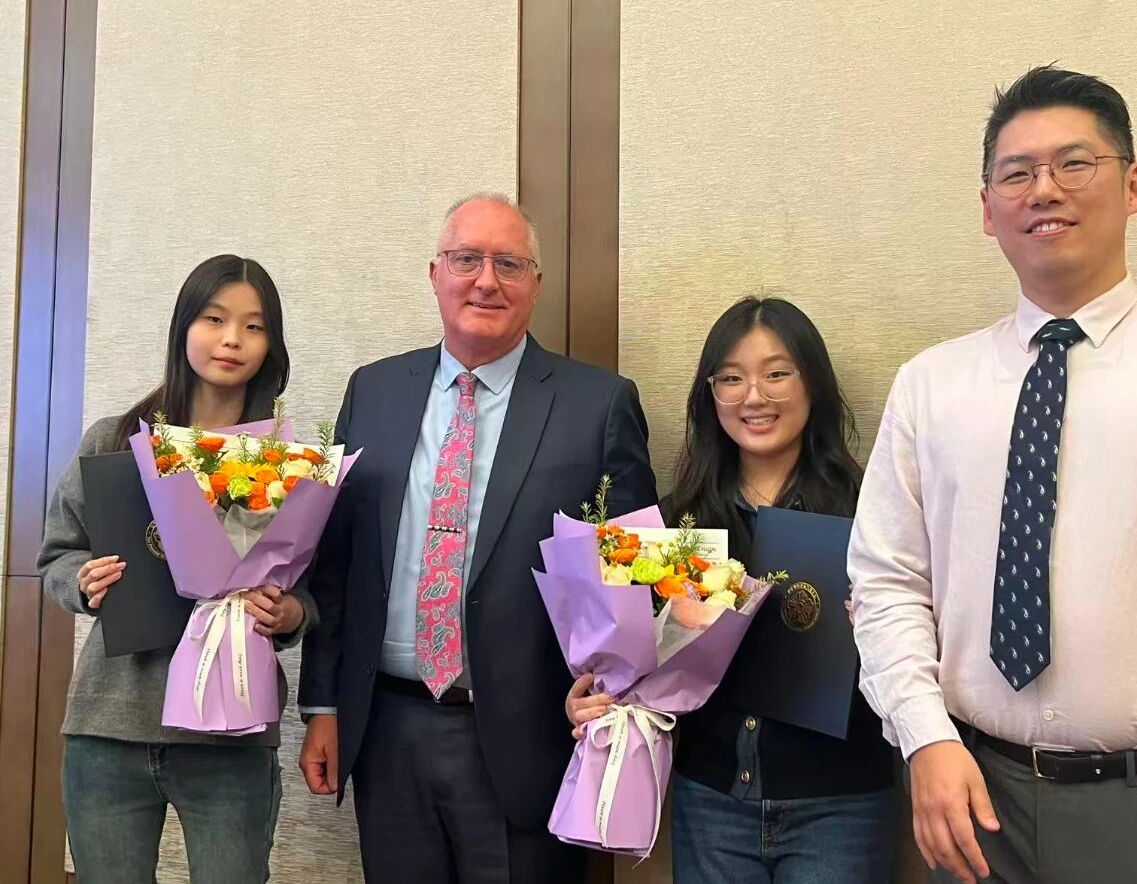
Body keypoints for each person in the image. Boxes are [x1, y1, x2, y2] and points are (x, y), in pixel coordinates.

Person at [847, 64, 1137, 884]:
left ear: (1133, 185)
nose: (1044, 189)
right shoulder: (932, 385)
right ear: (988, 209)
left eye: (1075, 163)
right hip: (979, 800)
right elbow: (886, 581)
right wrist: (924, 735)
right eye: (1017, 173)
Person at [297, 193, 658, 884]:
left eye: (509, 264)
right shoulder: (373, 391)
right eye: (467, 260)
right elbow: (335, 564)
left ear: (536, 285)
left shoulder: (597, 405)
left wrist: (612, 701)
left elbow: (634, 584)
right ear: (435, 273)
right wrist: (323, 704)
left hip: (531, 738)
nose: (486, 281)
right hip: (387, 729)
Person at [568, 297, 897, 883]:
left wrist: (881, 626)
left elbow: (929, 643)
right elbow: (632, 666)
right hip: (711, 801)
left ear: (813, 383)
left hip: (839, 803)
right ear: (710, 394)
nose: (754, 396)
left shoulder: (871, 510)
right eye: (731, 378)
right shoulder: (676, 525)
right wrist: (596, 699)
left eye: (777, 374)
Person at [39, 254, 315, 884]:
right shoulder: (115, 439)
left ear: (271, 344)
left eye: (253, 326)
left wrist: (290, 613)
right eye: (214, 319)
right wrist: (81, 581)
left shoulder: (283, 461)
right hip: (109, 727)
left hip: (231, 736)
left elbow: (311, 591)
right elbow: (56, 555)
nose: (231, 339)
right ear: (183, 326)